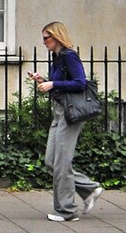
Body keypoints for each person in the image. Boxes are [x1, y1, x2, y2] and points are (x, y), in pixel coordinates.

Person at [29, 21, 101, 222]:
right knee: (51, 161)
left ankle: (67, 211)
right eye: (43, 38)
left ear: (57, 37)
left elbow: (80, 83)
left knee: (61, 162)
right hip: (59, 112)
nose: (44, 42)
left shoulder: (69, 56)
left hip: (70, 114)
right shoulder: (58, 57)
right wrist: (43, 81)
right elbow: (62, 85)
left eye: (46, 38)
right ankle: (89, 188)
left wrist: (53, 83)